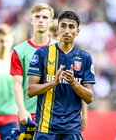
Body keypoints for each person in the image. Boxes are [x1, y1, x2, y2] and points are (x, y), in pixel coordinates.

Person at [26, 11, 96, 139]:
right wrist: (53, 83)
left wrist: (74, 83)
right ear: (58, 29)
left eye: (71, 27)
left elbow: (89, 97)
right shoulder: (42, 53)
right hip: (46, 129)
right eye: (63, 26)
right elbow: (30, 90)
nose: (67, 31)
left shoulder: (85, 57)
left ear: (77, 31)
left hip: (71, 130)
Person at [10, 3, 58, 134]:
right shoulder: (19, 51)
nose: (41, 20)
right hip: (29, 115)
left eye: (44, 17)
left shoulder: (60, 49)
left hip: (55, 115)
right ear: (31, 20)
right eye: (37, 17)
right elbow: (17, 84)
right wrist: (21, 109)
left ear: (51, 22)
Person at [49, 18, 87, 131]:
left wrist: (84, 114)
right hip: (48, 118)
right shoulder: (43, 57)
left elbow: (83, 89)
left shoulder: (77, 58)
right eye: (55, 34)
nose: (57, 37)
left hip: (70, 119)